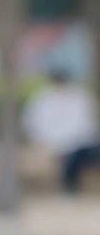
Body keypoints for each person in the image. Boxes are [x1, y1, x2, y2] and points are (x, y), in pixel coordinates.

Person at [21, 62, 100, 194]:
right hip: (55, 144)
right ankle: (70, 186)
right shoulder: (42, 98)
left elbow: (88, 124)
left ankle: (70, 185)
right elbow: (33, 124)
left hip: (80, 143)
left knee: (79, 153)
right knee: (73, 155)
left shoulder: (80, 96)